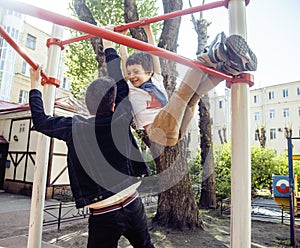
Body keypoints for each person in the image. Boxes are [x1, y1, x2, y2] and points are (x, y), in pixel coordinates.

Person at [29, 50, 155, 247]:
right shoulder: (119, 118)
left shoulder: (74, 127)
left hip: (104, 213)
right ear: (113, 105)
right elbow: (121, 85)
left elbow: (40, 121)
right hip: (132, 203)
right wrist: (109, 48)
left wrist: (34, 85)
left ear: (88, 105)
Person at [107, 22, 257, 147]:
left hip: (175, 130)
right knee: (181, 96)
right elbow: (124, 58)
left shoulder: (156, 79)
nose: (131, 76)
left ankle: (229, 67)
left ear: (149, 72)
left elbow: (153, 53)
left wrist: (148, 29)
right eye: (129, 73)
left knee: (194, 97)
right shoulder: (131, 89)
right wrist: (121, 37)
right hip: (157, 130)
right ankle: (208, 58)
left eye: (135, 72)